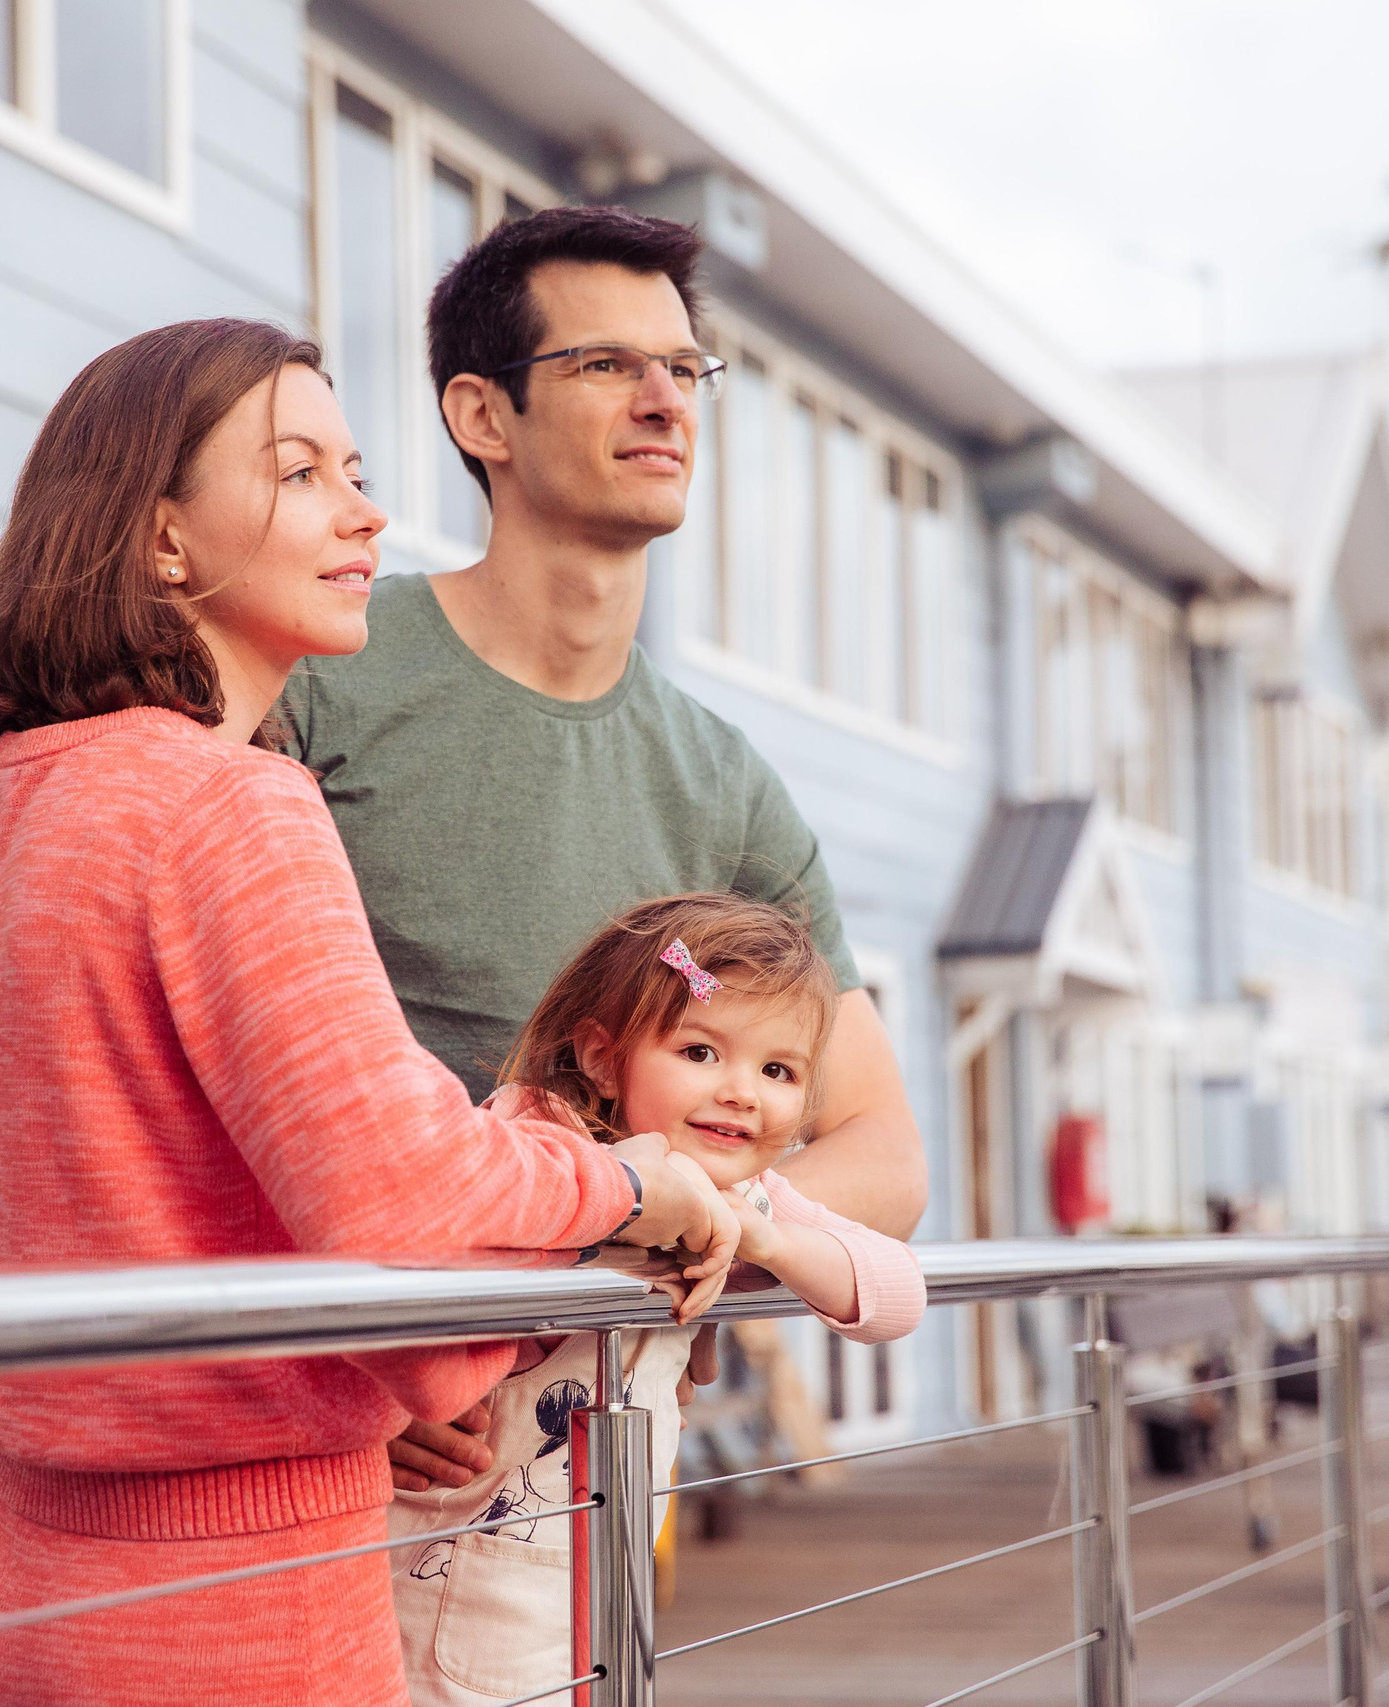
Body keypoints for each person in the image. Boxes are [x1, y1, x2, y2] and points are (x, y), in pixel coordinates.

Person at [0, 317, 738, 1706]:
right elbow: (404, 1191)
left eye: (356, 468)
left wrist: (369, 1384)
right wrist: (633, 1177)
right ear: (163, 537)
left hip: (11, 1579)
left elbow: (147, 1187)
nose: (366, 510)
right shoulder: (227, 800)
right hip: (230, 1607)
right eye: (301, 472)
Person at [275, 206, 931, 1493]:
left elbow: (883, 1159)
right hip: (349, 1436)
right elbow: (199, 1080)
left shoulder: (723, 783)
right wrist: (338, 1345)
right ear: (482, 417)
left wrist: (674, 1219)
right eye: (605, 366)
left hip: (599, 1453)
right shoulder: (322, 679)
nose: (663, 401)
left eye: (683, 370)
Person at [386, 895, 925, 1706]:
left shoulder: (748, 1198)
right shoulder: (541, 1142)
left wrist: (766, 1242)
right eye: (701, 1050)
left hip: (599, 1572)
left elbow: (897, 1296)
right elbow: (444, 1245)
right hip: (459, 1570)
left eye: (778, 1071)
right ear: (604, 1058)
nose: (743, 1092)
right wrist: (638, 1201)